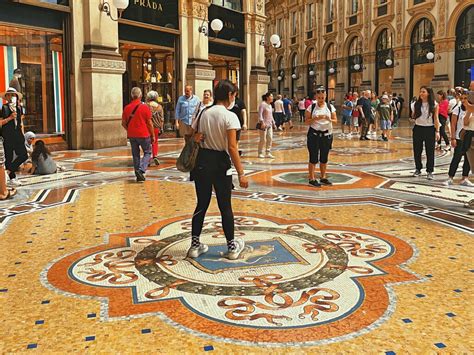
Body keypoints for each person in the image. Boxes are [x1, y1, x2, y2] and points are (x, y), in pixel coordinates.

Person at [188, 79, 249, 260]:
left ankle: (194, 245)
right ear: (230, 95)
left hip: (202, 162)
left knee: (202, 203)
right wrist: (241, 173)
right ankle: (231, 247)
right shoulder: (230, 116)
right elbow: (231, 147)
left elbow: (193, 136)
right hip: (221, 163)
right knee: (225, 206)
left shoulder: (203, 113)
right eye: (234, 95)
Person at [305, 87, 337, 187]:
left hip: (326, 135)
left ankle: (323, 177)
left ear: (325, 96)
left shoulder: (330, 107)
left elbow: (335, 120)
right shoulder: (312, 107)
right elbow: (307, 121)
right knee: (313, 157)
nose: (321, 100)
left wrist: (329, 119)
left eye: (322, 97)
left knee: (324, 157)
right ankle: (311, 178)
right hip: (314, 135)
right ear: (316, 97)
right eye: (319, 98)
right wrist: (315, 118)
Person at [121, 87, 155, 182]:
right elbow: (149, 123)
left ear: (132, 96)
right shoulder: (145, 107)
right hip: (144, 134)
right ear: (140, 95)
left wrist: (130, 129)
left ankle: (137, 172)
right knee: (147, 152)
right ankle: (141, 169)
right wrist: (153, 135)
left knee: (135, 154)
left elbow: (123, 123)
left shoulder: (127, 108)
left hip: (132, 135)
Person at [410, 86, 440, 180]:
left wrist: (437, 131)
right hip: (418, 128)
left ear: (428, 93)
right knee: (417, 150)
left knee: (430, 151)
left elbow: (436, 118)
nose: (421, 93)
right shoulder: (415, 104)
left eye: (423, 92)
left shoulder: (434, 104)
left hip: (430, 129)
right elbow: (413, 116)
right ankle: (418, 168)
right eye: (420, 92)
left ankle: (430, 171)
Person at [0, 87, 27, 186]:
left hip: (18, 135)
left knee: (24, 155)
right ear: (6, 97)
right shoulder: (4, 108)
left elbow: (20, 122)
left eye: (13, 95)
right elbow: (1, 123)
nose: (12, 97)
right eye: (9, 95)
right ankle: (12, 177)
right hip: (8, 135)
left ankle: (8, 171)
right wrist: (10, 118)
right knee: (9, 157)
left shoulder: (19, 108)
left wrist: (23, 134)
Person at [444, 92, 472, 187]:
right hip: (459, 137)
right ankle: (450, 177)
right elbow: (453, 124)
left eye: (465, 98)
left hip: (469, 137)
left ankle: (465, 178)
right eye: (462, 98)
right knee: (456, 157)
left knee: (468, 159)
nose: (463, 100)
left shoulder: (471, 109)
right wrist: (452, 138)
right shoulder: (457, 109)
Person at [145, 91, 163, 166]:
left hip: (148, 127)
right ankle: (155, 155)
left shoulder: (146, 106)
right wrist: (161, 127)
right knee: (155, 142)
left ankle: (148, 159)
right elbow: (162, 119)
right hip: (156, 127)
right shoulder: (159, 107)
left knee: (148, 143)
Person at [228, 90, 247, 156]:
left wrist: (245, 123)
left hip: (237, 125)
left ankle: (234, 155)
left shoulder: (239, 102)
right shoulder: (226, 101)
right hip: (227, 124)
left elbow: (244, 112)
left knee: (235, 141)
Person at [257, 92, 275, 159]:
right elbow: (260, 114)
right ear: (267, 97)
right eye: (271, 96)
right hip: (263, 125)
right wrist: (262, 122)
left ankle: (268, 152)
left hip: (269, 124)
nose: (272, 98)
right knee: (263, 139)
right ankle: (260, 152)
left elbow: (271, 115)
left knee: (270, 138)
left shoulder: (270, 105)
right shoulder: (262, 104)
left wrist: (273, 122)